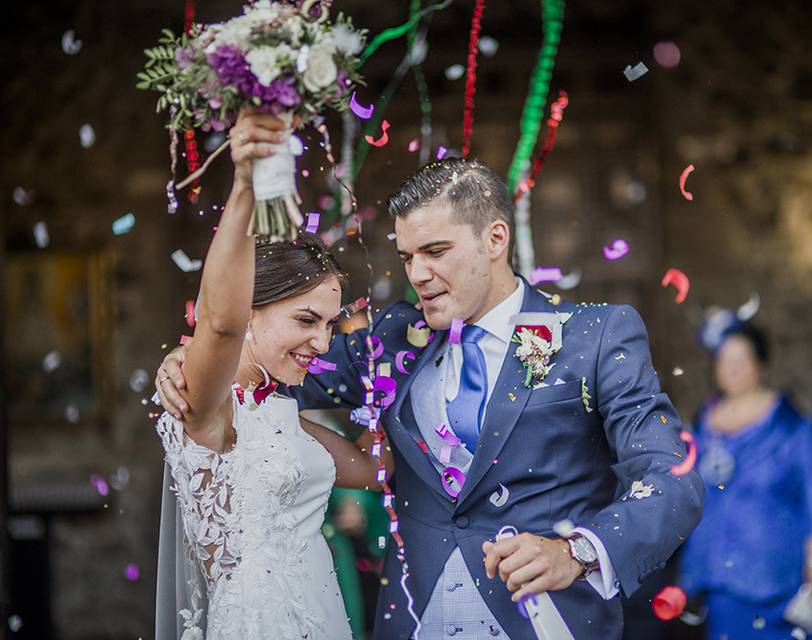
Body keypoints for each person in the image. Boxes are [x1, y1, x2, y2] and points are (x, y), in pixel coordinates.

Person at [158, 156, 705, 639]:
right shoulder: (394, 338)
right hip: (413, 620)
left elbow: (670, 477)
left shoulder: (596, 335)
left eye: (436, 251)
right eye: (407, 256)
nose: (418, 274)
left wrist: (577, 552)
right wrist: (190, 361)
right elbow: (269, 362)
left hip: (546, 622)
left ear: (495, 239)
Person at [154, 108, 394, 640]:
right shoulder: (205, 404)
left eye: (330, 325)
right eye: (306, 320)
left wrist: (428, 367)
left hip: (322, 615)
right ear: (250, 310)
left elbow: (373, 469)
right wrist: (246, 181)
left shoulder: (277, 410)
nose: (323, 343)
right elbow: (216, 322)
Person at [679, 319, 812, 640]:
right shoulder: (702, 422)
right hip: (720, 576)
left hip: (779, 578)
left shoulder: (792, 426)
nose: (733, 370)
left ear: (761, 365)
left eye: (742, 361)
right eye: (725, 361)